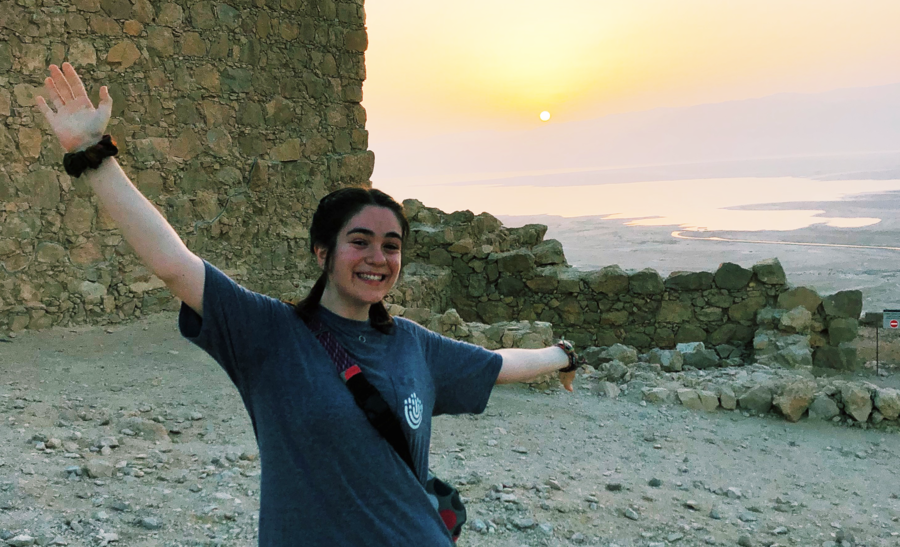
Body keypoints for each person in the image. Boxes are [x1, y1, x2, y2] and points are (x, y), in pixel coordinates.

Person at [34, 62, 583, 546]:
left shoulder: (413, 342)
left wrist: (561, 354)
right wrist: (93, 155)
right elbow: (174, 263)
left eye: (391, 246)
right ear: (324, 251)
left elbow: (502, 364)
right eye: (360, 241)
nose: (377, 258)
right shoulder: (268, 333)